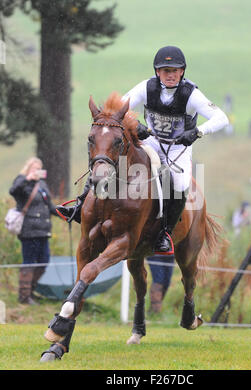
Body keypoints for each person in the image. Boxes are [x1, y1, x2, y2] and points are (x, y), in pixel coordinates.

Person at [56, 46, 229, 254]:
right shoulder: (147, 88)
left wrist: (198, 132)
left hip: (178, 148)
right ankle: (80, 205)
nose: (170, 75)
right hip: (152, 143)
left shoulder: (191, 94)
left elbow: (221, 118)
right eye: (166, 70)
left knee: (180, 183)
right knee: (108, 157)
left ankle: (165, 231)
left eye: (175, 70)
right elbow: (116, 110)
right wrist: (133, 123)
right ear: (158, 72)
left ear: (182, 71)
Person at [9, 157, 58, 304]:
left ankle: (30, 291)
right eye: (34, 169)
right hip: (29, 231)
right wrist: (28, 178)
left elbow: (50, 206)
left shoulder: (42, 184)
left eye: (39, 169)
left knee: (44, 261)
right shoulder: (21, 181)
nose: (36, 171)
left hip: (43, 231)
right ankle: (24, 297)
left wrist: (67, 214)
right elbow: (13, 191)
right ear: (28, 169)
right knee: (29, 262)